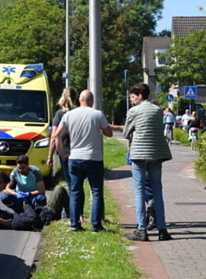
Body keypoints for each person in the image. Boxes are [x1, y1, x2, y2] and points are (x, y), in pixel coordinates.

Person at [53, 90, 113, 232]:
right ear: (91, 101)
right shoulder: (97, 114)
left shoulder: (68, 115)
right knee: (97, 191)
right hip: (94, 158)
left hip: (74, 157)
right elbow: (109, 133)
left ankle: (75, 224)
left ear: (79, 100)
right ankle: (96, 225)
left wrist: (62, 154)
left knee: (75, 191)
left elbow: (56, 136)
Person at [124, 83, 173, 242]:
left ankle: (141, 230)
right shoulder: (158, 110)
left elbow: (126, 132)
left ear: (139, 96)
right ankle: (162, 230)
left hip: (139, 154)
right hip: (156, 154)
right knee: (157, 191)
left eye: (132, 97)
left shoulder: (134, 111)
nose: (131, 101)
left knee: (139, 192)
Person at [47, 86, 78, 187]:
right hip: (79, 151)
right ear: (75, 97)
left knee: (70, 183)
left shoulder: (60, 114)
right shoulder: (79, 112)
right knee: (78, 182)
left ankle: (73, 202)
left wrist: (50, 157)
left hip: (65, 152)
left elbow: (54, 137)